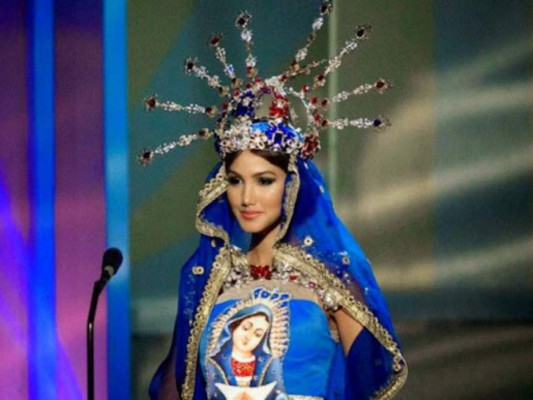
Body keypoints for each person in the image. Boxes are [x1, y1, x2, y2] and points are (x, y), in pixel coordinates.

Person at [143, 3, 407, 399]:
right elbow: (179, 386)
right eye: (235, 181)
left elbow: (366, 385)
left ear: (293, 184)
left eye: (264, 181)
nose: (247, 197)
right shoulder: (211, 279)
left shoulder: (332, 280)